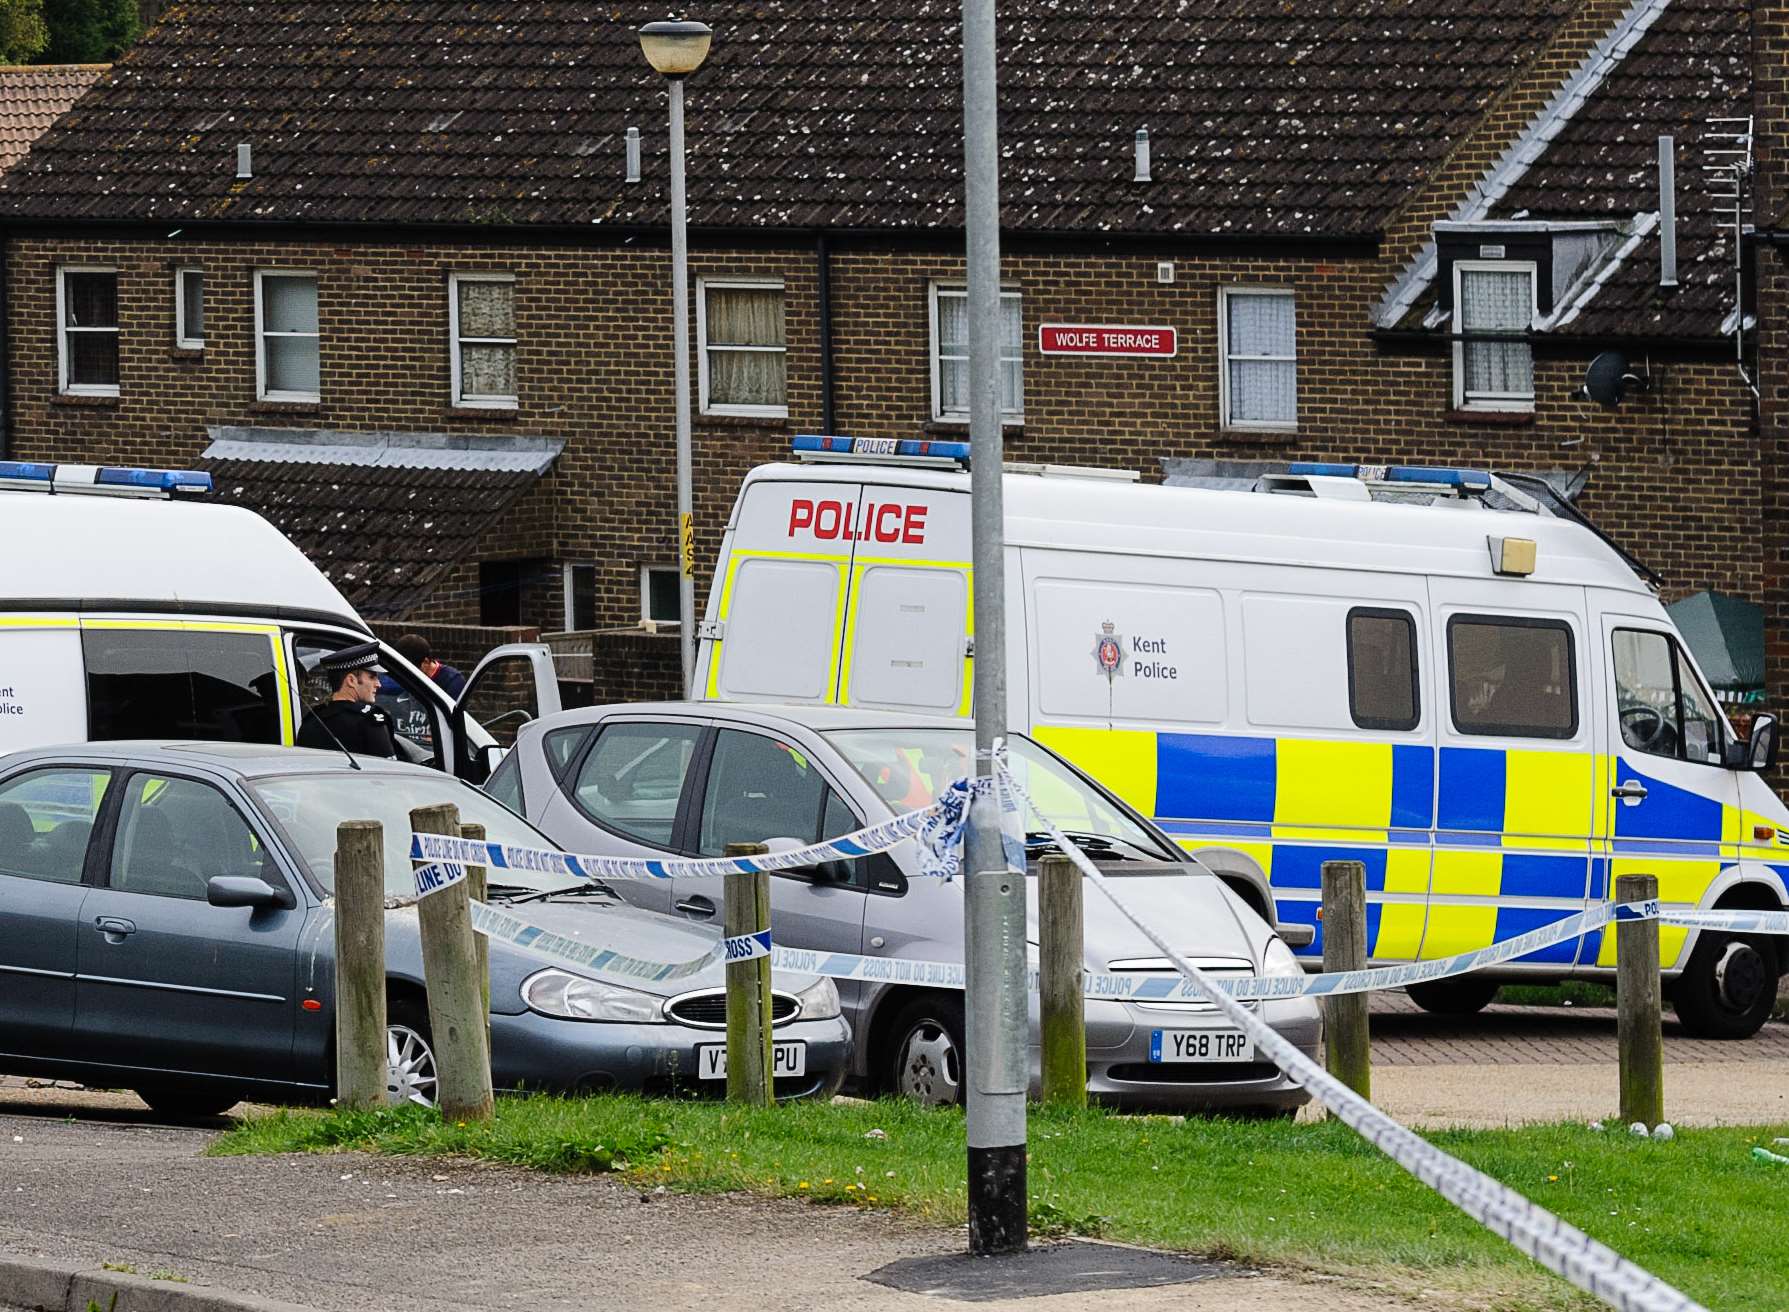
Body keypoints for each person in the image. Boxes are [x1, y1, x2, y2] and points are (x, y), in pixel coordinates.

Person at [298, 642, 400, 758]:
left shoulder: (313, 720)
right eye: (372, 677)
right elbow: (389, 771)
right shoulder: (369, 721)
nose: (378, 684)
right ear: (351, 680)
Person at [394, 633, 466, 698]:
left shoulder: (452, 681)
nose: (406, 675)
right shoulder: (407, 679)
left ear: (426, 662)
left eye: (410, 670)